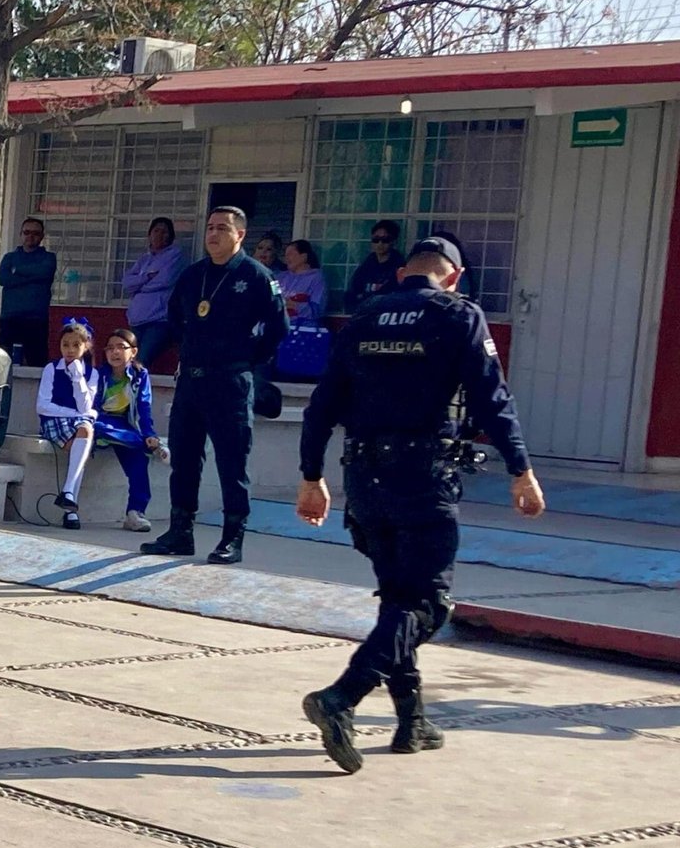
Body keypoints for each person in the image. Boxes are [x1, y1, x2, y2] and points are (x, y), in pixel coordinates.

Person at [296, 235, 547, 773]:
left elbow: (322, 405)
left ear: (406, 270)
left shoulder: (364, 316)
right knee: (428, 605)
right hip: (422, 473)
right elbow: (491, 398)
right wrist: (521, 470)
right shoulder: (459, 315)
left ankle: (412, 723)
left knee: (397, 602)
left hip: (362, 475)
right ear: (452, 276)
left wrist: (311, 477)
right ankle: (341, 697)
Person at [141, 206, 289, 564]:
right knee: (185, 457)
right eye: (210, 227)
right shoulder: (194, 275)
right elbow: (175, 316)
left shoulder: (256, 276)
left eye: (222, 228)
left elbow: (278, 326)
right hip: (192, 379)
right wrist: (192, 346)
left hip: (231, 381)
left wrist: (246, 357)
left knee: (231, 462)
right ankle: (180, 531)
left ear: (240, 235)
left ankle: (232, 537)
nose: (213, 234)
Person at [95, 328, 166, 533]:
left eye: (121, 347)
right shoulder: (99, 375)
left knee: (139, 460)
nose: (115, 352)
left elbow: (144, 406)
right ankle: (149, 445)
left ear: (133, 352)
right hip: (98, 422)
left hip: (124, 425)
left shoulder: (139, 375)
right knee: (132, 440)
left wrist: (149, 433)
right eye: (110, 348)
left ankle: (135, 512)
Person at [36, 319, 99, 531]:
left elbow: (86, 405)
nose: (70, 350)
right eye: (65, 345)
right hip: (54, 420)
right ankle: (70, 503)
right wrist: (73, 413)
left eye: (76, 345)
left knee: (85, 432)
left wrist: (78, 378)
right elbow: (43, 405)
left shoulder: (91, 373)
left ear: (85, 346)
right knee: (82, 444)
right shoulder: (51, 369)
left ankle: (69, 497)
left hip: (80, 423)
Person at [121, 217, 186, 370]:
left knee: (141, 362)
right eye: (156, 231)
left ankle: (137, 392)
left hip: (159, 321)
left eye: (164, 232)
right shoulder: (145, 259)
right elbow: (126, 282)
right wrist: (145, 277)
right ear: (149, 234)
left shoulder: (175, 255)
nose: (160, 235)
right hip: (136, 320)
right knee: (128, 361)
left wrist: (139, 285)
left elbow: (164, 280)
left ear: (171, 236)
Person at [0, 217, 58, 367]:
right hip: (9, 318)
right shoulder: (9, 258)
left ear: (42, 236)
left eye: (35, 233)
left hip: (36, 320)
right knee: (2, 364)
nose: (30, 236)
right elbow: (3, 279)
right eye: (27, 232)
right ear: (21, 234)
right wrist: (32, 277)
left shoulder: (48, 258)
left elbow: (44, 272)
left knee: (36, 364)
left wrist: (17, 271)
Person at [345, 220, 404, 312]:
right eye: (376, 240)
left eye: (385, 240)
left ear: (393, 241)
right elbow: (352, 293)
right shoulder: (365, 267)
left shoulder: (400, 267)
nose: (380, 244)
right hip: (365, 315)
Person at [276, 239, 328, 326]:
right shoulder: (278, 277)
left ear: (304, 257)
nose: (286, 258)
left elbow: (317, 311)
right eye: (285, 255)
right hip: (279, 328)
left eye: (290, 254)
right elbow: (274, 296)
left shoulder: (317, 278)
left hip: (304, 330)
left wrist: (294, 305)